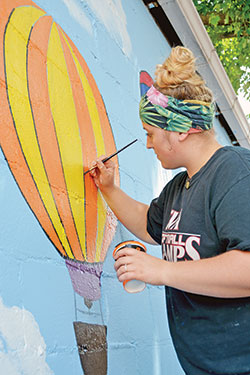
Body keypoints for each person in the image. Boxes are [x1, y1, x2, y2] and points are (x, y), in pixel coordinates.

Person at [90, 46, 250, 375]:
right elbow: (150, 227)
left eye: (151, 134)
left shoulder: (235, 172)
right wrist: (108, 188)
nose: (148, 144)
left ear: (179, 130)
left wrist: (160, 271)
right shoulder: (179, 187)